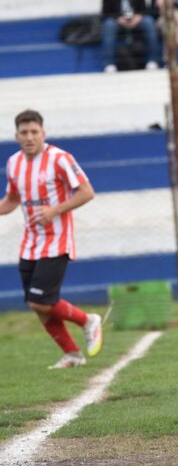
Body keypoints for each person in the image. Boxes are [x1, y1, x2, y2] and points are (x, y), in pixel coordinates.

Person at [0, 110, 102, 369]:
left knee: (39, 300)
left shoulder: (59, 159)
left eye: (34, 132)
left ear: (43, 134)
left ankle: (87, 321)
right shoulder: (13, 163)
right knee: (39, 306)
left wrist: (54, 210)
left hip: (57, 241)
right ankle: (72, 354)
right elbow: (12, 199)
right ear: (16, 136)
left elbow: (87, 192)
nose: (29, 137)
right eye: (24, 133)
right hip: (30, 242)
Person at [101, 0, 161, 73]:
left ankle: (153, 60)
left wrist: (138, 17)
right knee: (109, 25)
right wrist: (118, 19)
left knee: (149, 22)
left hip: (136, 21)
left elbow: (144, 8)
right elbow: (105, 13)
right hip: (118, 23)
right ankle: (109, 64)